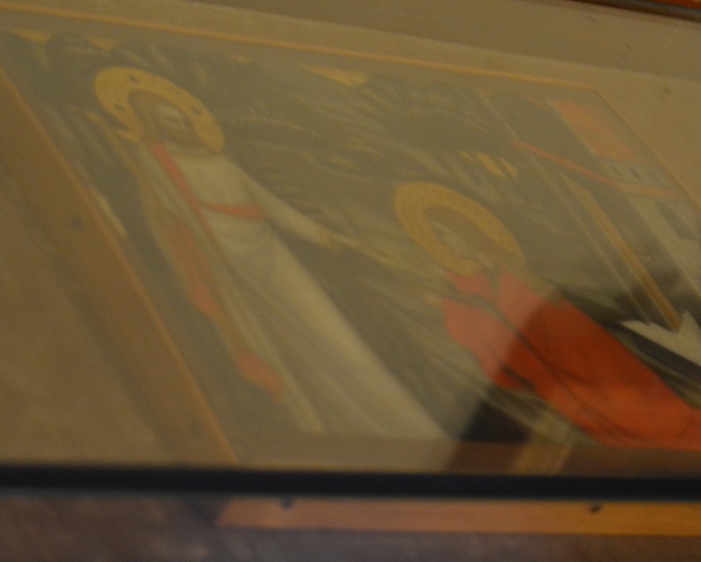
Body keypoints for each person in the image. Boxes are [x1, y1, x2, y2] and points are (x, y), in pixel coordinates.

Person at [94, 67, 443, 440]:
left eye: (181, 118)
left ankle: (404, 426)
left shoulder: (222, 162)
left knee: (337, 338)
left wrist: (330, 237)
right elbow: (162, 213)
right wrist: (161, 217)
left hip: (272, 257)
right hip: (228, 268)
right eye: (168, 120)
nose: (178, 125)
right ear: (152, 123)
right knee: (278, 346)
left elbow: (275, 209)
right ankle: (318, 425)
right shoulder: (152, 160)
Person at [396, 182, 701, 454]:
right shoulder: (469, 290)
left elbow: (566, 334)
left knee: (662, 428)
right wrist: (444, 297)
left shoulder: (520, 277)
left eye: (445, 232)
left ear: (466, 230)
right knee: (631, 442)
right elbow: (493, 358)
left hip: (594, 370)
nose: (444, 243)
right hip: (564, 391)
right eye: (437, 237)